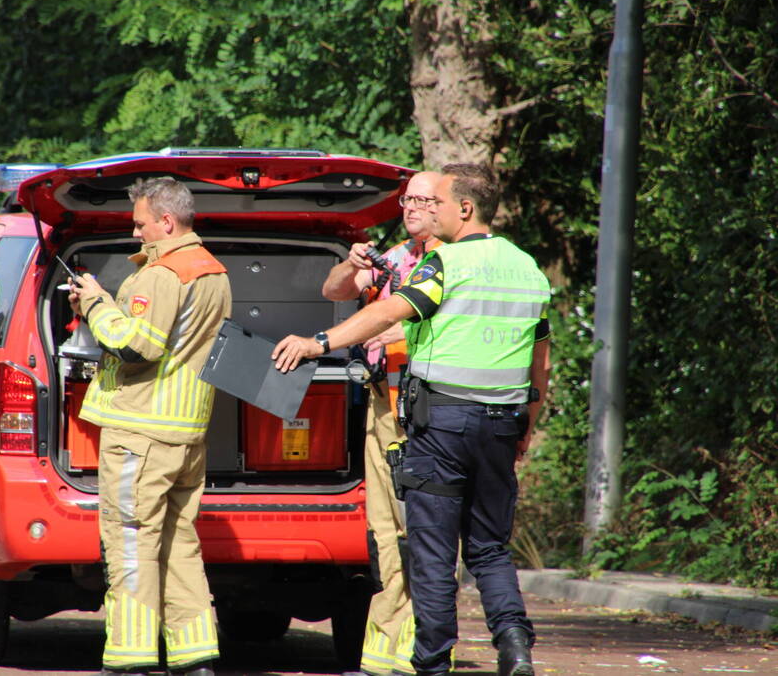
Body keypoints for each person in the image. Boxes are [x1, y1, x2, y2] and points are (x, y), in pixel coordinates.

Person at [272, 163, 550, 676]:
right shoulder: (526, 266)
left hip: (439, 423)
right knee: (489, 549)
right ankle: (514, 648)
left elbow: (390, 312)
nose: (422, 211)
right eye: (413, 202)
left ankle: (430, 662)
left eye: (434, 202)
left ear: (463, 208)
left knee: (430, 550)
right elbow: (540, 360)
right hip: (500, 424)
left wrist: (320, 344)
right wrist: (527, 424)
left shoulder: (445, 264)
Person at [68, 177, 232, 676]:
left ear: (166, 221)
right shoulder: (214, 271)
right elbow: (173, 341)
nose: (136, 233)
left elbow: (138, 347)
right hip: (186, 431)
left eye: (140, 224)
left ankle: (131, 658)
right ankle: (195, 654)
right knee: (180, 543)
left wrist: (95, 302)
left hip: (140, 431)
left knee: (131, 540)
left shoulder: (162, 274)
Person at [321, 171, 442, 676]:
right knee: (384, 532)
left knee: (419, 534)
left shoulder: (450, 263)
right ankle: (384, 655)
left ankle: (420, 650)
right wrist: (351, 269)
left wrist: (347, 335)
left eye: (421, 200)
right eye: (406, 199)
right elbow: (331, 290)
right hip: (383, 407)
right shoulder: (396, 258)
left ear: (449, 207)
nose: (409, 207)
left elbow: (409, 319)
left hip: (426, 413)